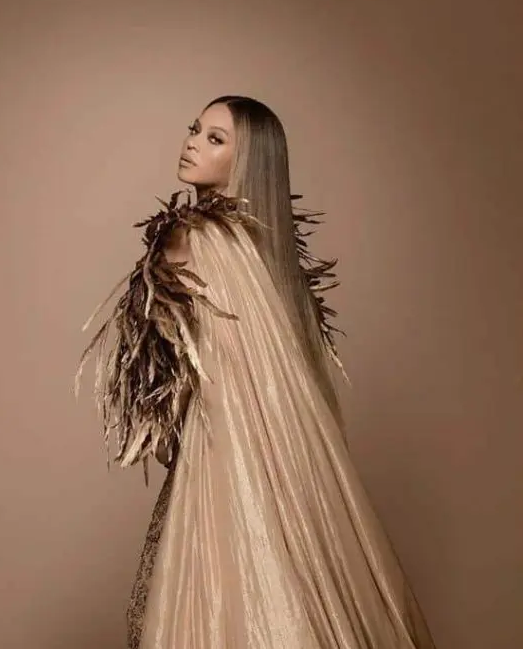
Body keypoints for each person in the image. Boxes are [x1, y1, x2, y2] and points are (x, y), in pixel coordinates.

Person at [76, 95, 437, 648]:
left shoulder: (193, 237)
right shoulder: (252, 248)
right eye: (195, 129)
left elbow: (187, 359)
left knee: (219, 589)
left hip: (219, 446)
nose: (192, 142)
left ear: (245, 161)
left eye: (215, 139)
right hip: (277, 452)